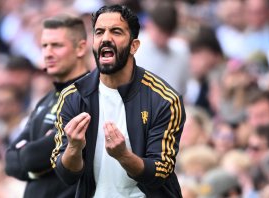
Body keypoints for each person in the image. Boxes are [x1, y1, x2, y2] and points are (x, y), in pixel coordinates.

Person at [51, 5, 186, 197]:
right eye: (99, 32)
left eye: (116, 31)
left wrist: (123, 155)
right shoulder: (72, 96)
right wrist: (73, 147)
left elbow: (160, 172)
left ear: (134, 46)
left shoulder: (164, 99)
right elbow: (65, 175)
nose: (106, 38)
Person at [4, 14, 90, 197]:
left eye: (57, 45)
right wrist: (33, 159)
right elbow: (10, 159)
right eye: (44, 46)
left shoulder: (89, 96)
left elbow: (30, 158)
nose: (48, 53)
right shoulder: (47, 99)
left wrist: (28, 155)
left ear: (81, 48)